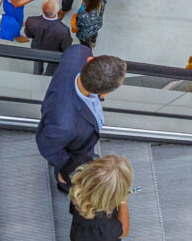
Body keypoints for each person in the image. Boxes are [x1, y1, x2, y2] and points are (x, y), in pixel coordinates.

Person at [37, 46, 126, 189]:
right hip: (74, 150)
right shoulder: (63, 124)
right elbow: (48, 148)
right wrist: (74, 167)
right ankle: (64, 186)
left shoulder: (78, 53)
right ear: (102, 94)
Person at [68, 154, 133, 241]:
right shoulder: (102, 225)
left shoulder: (79, 176)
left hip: (79, 229)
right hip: (94, 237)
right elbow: (123, 231)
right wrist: (123, 201)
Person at [25, 0, 73, 75]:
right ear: (56, 11)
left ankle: (37, 74)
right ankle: (48, 76)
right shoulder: (63, 30)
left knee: (37, 63)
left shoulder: (31, 20)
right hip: (54, 52)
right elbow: (66, 47)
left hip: (37, 48)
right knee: (53, 67)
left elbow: (28, 34)